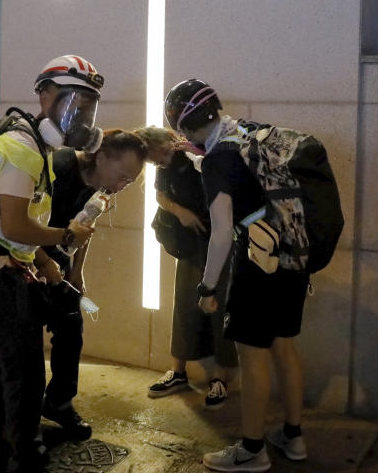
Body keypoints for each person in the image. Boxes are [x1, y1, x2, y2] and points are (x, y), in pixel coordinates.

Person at [0, 55, 104, 473]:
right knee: (24, 377)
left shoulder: (36, 147)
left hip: (2, 271)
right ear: (43, 95)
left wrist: (40, 257)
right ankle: (27, 458)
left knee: (6, 365)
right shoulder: (23, 146)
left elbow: (17, 227)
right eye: (71, 100)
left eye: (88, 105)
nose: (80, 114)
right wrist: (65, 237)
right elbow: (14, 223)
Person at [164, 79, 311, 472]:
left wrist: (208, 287)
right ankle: (294, 439)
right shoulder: (247, 133)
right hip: (293, 254)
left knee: (253, 355)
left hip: (257, 263)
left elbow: (222, 232)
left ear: (183, 125)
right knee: (285, 346)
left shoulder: (218, 160)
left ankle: (252, 450)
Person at [38, 129, 148, 440]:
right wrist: (44, 264)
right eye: (123, 176)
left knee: (71, 331)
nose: (122, 186)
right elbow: (20, 224)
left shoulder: (103, 186)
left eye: (130, 182)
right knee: (22, 347)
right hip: (22, 259)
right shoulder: (56, 167)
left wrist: (77, 271)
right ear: (100, 157)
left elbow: (87, 223)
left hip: (59, 263)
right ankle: (15, 418)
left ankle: (58, 402)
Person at [135, 126, 237, 409]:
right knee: (185, 304)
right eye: (154, 161)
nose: (159, 163)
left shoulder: (197, 155)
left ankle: (220, 377)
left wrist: (194, 155)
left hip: (221, 239)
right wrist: (181, 213)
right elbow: (160, 195)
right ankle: (178, 371)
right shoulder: (164, 165)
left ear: (169, 143)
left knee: (220, 305)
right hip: (192, 243)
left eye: (161, 156)